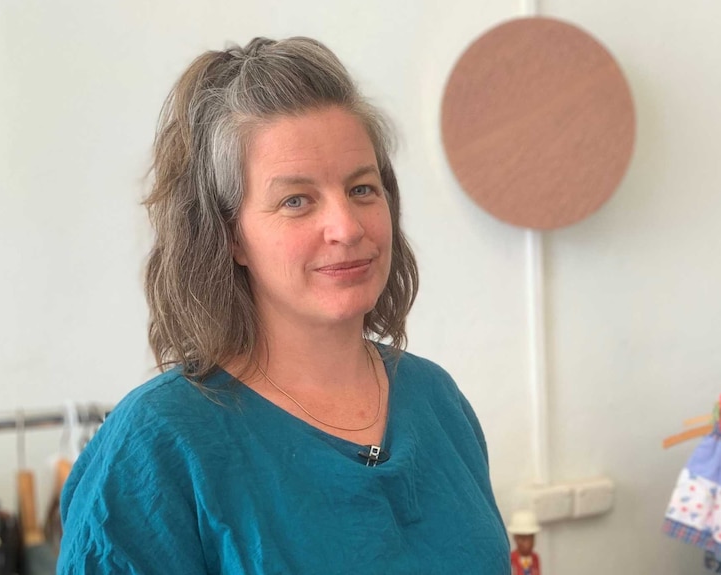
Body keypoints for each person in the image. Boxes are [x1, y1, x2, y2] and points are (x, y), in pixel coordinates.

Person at [57, 36, 509, 574]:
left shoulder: (437, 400)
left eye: (362, 189)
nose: (346, 227)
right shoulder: (155, 447)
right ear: (229, 236)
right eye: (296, 200)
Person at [507, 511, 541, 575]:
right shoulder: (511, 558)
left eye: (531, 538)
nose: (529, 542)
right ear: (516, 538)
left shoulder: (535, 558)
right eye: (524, 539)